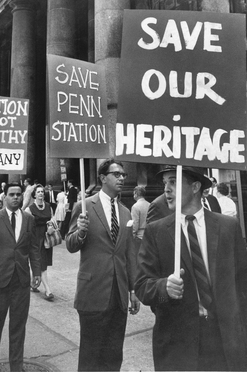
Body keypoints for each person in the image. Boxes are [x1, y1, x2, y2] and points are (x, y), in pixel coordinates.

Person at [135, 165, 247, 371]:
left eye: (173, 182)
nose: (166, 190)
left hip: (224, 342)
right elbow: (141, 285)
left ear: (195, 186)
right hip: (178, 344)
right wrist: (163, 287)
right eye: (164, 184)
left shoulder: (228, 227)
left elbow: (242, 282)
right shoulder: (156, 232)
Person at [66, 158, 140, 371]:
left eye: (123, 175)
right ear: (102, 178)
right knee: (90, 357)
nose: (122, 178)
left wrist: (133, 289)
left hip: (118, 296)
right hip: (93, 293)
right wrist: (80, 232)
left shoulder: (126, 212)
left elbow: (129, 255)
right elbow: (70, 245)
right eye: (117, 174)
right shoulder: (85, 206)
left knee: (113, 356)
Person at [0, 182, 41, 372]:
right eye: (12, 194)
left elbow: (33, 248)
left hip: (20, 280)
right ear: (4, 197)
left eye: (18, 194)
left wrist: (36, 271)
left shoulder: (29, 219)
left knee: (18, 326)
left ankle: (17, 365)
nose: (16, 197)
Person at [28, 184, 54, 300]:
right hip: (35, 239)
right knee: (41, 263)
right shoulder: (30, 209)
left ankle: (33, 284)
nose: (40, 194)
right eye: (38, 192)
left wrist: (51, 227)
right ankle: (48, 290)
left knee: (42, 262)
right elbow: (26, 224)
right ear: (34, 194)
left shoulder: (48, 206)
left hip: (46, 238)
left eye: (42, 192)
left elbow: (52, 220)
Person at [131, 186, 150, 262]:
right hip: (148, 236)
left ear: (136, 194)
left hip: (138, 237)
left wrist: (132, 236)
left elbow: (135, 224)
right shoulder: (150, 205)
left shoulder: (135, 207)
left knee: (137, 260)